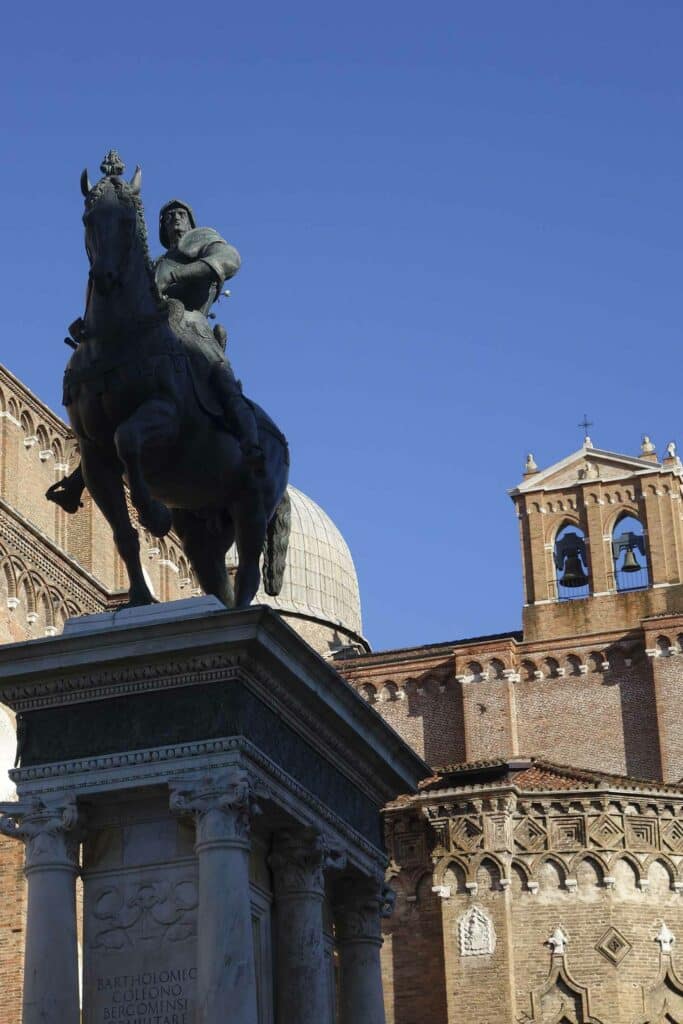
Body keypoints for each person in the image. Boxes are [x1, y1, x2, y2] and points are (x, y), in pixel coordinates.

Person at [48, 199, 264, 514]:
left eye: (179, 214)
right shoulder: (155, 265)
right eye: (166, 217)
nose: (173, 219)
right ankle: (80, 478)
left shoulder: (204, 242)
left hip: (192, 326)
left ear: (190, 222)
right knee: (112, 393)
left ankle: (251, 446)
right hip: (153, 333)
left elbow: (230, 260)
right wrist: (92, 325)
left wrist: (178, 278)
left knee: (219, 375)